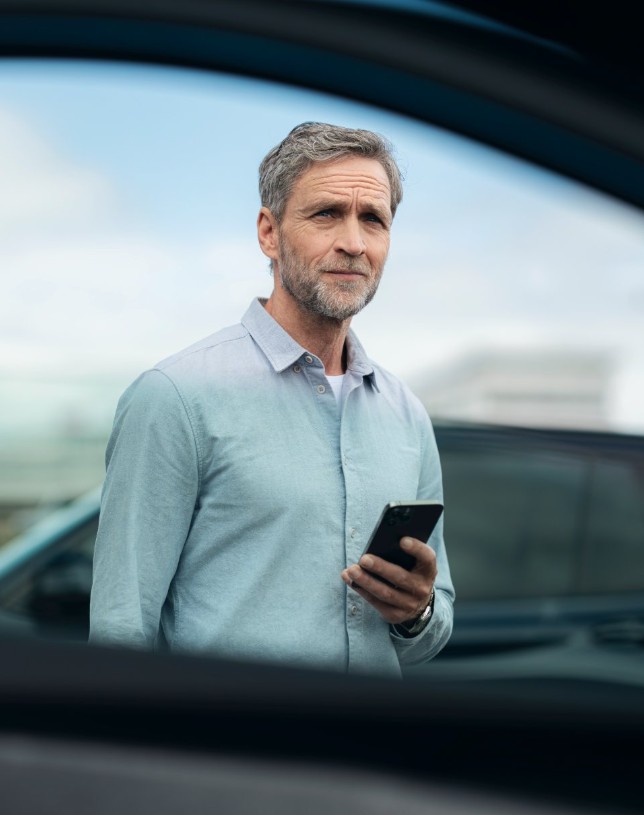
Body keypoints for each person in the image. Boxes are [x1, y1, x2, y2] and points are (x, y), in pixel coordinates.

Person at [89, 122, 454, 675]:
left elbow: (431, 631)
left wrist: (416, 612)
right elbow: (121, 631)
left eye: (372, 219)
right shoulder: (175, 397)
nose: (353, 242)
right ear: (269, 232)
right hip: (231, 756)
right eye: (326, 213)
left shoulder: (406, 416)